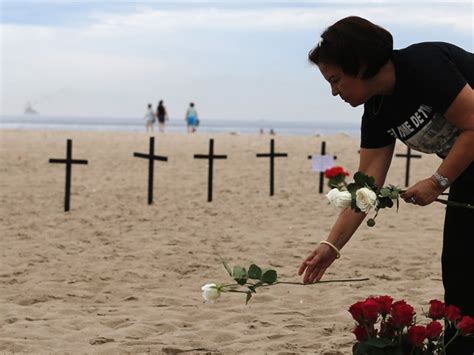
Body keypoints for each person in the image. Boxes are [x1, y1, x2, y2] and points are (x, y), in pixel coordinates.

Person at [298, 16, 473, 353]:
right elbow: (366, 190)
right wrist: (330, 247)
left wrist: (436, 182)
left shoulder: (424, 65)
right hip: (468, 174)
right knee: (460, 271)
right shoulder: (377, 112)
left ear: (360, 65)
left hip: (459, 170)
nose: (334, 92)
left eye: (336, 80)